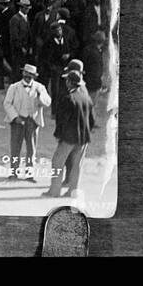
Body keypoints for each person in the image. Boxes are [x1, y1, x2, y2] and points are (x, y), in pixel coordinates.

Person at [45, 67, 95, 198]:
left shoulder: (68, 98)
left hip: (68, 137)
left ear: (69, 82)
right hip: (83, 138)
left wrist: (58, 135)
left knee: (57, 162)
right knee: (76, 165)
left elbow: (62, 121)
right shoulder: (87, 98)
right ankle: (73, 191)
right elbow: (92, 121)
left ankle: (54, 191)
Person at [3, 62, 51, 180]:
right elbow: (7, 103)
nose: (27, 76)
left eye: (31, 74)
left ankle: (30, 173)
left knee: (31, 149)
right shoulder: (14, 87)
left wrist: (40, 97)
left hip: (32, 121)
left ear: (35, 76)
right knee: (15, 147)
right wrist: (15, 117)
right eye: (26, 73)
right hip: (17, 122)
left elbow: (47, 102)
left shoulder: (40, 87)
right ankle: (14, 172)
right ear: (22, 73)